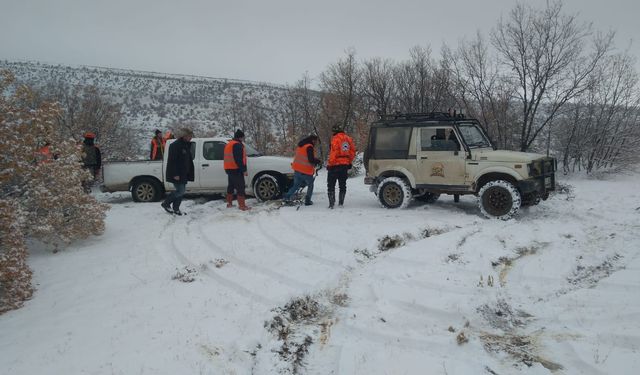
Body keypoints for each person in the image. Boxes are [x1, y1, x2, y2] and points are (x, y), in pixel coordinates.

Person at [161, 128, 195, 215]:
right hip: (176, 173)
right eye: (189, 136)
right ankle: (166, 203)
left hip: (183, 173)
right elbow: (172, 161)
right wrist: (175, 174)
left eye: (191, 136)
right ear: (184, 136)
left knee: (181, 191)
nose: (191, 137)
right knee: (180, 191)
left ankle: (176, 209)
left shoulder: (186, 145)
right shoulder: (175, 145)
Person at [282, 135, 322, 206]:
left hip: (297, 169)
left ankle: (287, 197)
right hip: (305, 171)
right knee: (310, 185)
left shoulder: (301, 145)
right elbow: (311, 159)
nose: (316, 143)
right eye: (315, 141)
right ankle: (308, 200)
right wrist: (318, 161)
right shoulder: (309, 147)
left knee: (296, 185)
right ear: (313, 140)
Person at [326, 124, 356, 209]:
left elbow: (334, 152)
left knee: (331, 185)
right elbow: (352, 151)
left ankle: (331, 204)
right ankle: (341, 202)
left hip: (335, 165)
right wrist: (349, 162)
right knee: (342, 184)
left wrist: (330, 164)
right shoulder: (348, 138)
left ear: (334, 131)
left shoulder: (335, 139)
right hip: (344, 165)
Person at [224, 129, 251, 211]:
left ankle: (229, 203)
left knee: (231, 185)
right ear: (240, 137)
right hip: (235, 169)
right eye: (243, 137)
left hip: (229, 168)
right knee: (240, 186)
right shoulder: (237, 145)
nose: (243, 139)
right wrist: (244, 170)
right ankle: (242, 206)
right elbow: (239, 159)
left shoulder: (230, 144)